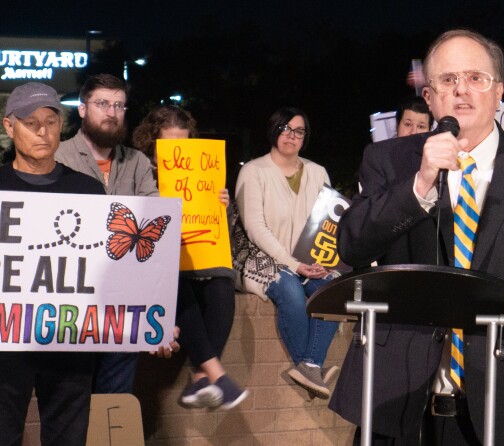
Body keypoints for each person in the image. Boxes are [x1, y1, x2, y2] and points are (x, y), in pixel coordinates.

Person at [330, 29, 504, 445]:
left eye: (476, 78)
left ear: (499, 92)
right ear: (430, 97)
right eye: (448, 80)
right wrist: (418, 186)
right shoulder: (389, 160)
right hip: (399, 398)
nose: (462, 91)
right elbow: (352, 245)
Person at [0, 82, 106, 444]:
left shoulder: (88, 190)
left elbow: (106, 267)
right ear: (9, 127)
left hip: (69, 338)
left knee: (68, 438)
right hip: (5, 340)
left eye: (50, 120)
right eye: (31, 122)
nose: (42, 131)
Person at [132, 105, 248, 409]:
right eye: (170, 144)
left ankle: (199, 379)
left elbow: (221, 227)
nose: (176, 151)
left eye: (182, 143)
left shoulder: (200, 170)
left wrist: (219, 204)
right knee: (179, 287)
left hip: (200, 256)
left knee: (223, 285)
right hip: (158, 266)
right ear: (152, 143)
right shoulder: (139, 171)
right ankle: (218, 376)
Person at [55, 73, 159, 394]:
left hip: (124, 302)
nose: (111, 112)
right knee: (72, 398)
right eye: (102, 104)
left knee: (113, 399)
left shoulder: (137, 162)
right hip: (73, 301)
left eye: (119, 105)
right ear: (83, 109)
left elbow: (154, 221)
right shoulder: (59, 157)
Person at [234, 107, 339, 399]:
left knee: (332, 290)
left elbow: (326, 224)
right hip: (262, 259)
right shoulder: (254, 171)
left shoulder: (318, 173)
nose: (291, 136)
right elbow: (255, 227)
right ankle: (312, 367)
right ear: (274, 131)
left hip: (308, 260)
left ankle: (309, 366)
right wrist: (293, 264)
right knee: (290, 290)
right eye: (285, 129)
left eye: (298, 131)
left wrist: (321, 262)